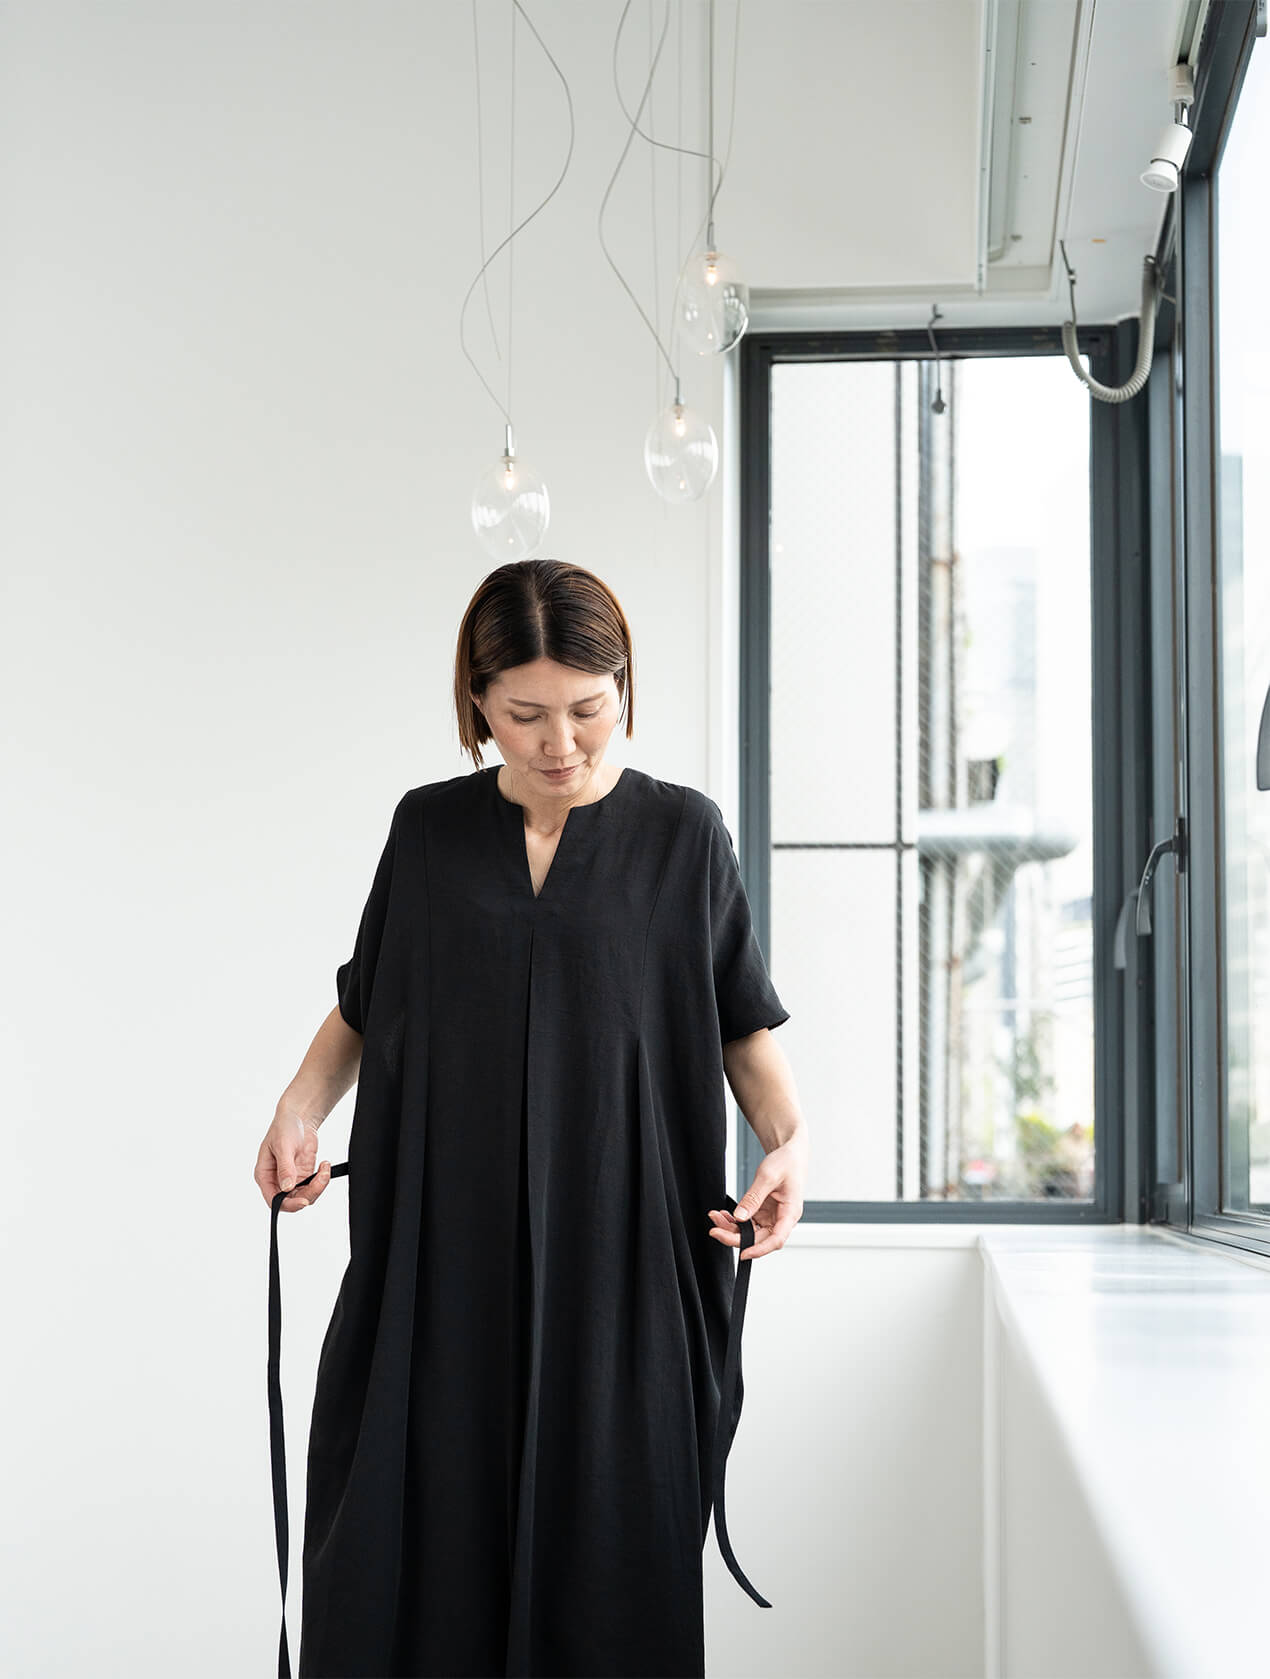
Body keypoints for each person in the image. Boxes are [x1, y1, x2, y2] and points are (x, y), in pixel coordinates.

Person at [255, 558, 809, 1678]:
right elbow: (366, 1003)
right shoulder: (427, 831)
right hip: (439, 1273)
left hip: (622, 1274)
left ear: (625, 688)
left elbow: (741, 1023)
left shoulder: (685, 835)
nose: (562, 741)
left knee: (607, 1582)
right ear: (477, 702)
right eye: (526, 714)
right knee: (416, 1572)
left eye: (589, 708)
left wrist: (789, 1142)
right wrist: (296, 1109)